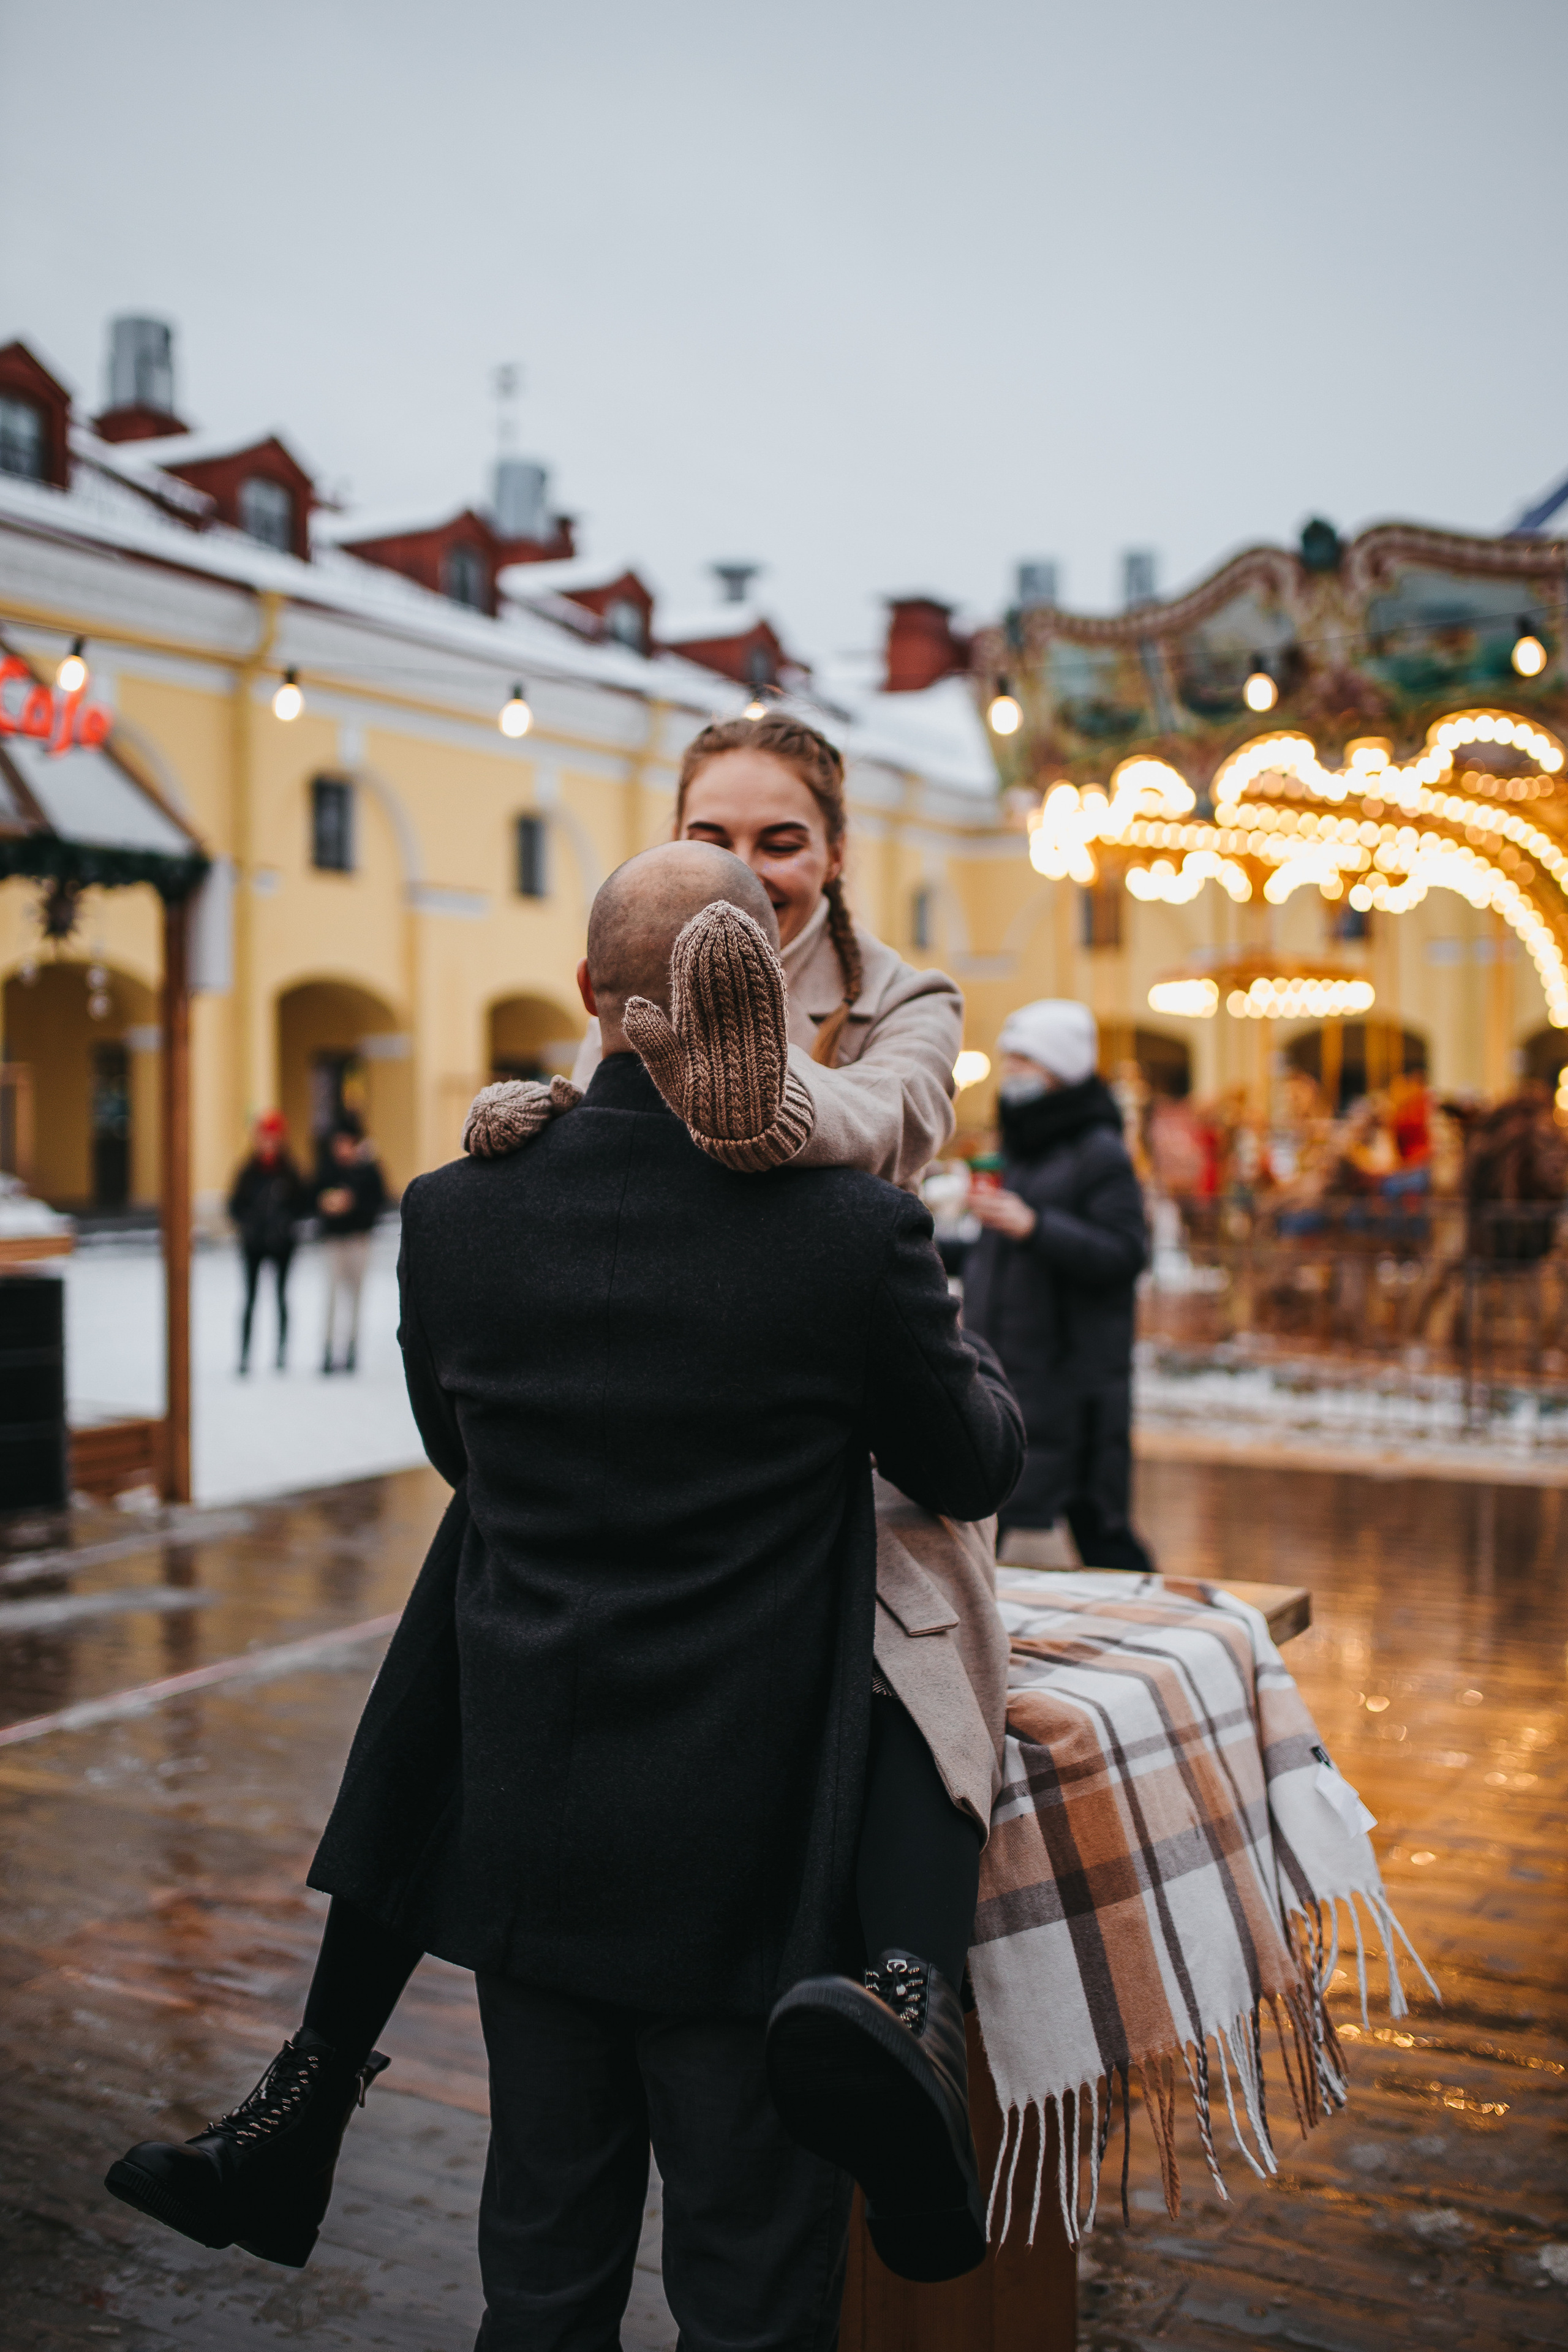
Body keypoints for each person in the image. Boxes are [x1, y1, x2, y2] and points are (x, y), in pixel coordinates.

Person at [105, 844, 1024, 2346]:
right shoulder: (846, 1233)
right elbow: (972, 1457)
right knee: (744, 2287)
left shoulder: (457, 1212)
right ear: (769, 999)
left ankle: (304, 2101)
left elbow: (458, 1455)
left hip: (532, 1831)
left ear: (588, 995)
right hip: (750, 1853)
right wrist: (957, 1339)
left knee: (538, 2270)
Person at [963, 997, 1155, 1574]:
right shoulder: (1029, 1147)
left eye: (1024, 1060)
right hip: (1014, 1367)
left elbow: (1125, 1252)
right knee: (984, 1518)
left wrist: (1034, 1226)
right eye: (1009, 1059)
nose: (1011, 1073)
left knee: (1100, 1530)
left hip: (1072, 1381)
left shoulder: (1098, 1152)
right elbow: (1000, 1250)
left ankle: (1167, 1636)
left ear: (1058, 1068)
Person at [227, 1111, 309, 1375]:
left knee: (282, 1297)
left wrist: (286, 1222)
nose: (269, 1143)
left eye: (273, 1137)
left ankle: (281, 1353)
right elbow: (234, 1205)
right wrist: (249, 1224)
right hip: (254, 1244)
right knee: (250, 1299)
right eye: (265, 1137)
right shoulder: (248, 1170)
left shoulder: (289, 1170)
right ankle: (245, 1355)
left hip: (283, 1244)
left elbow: (303, 1203)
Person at [314, 1114, 387, 1374]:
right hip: (334, 1239)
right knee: (332, 1296)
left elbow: (378, 1202)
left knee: (356, 1296)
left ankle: (352, 1349)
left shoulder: (367, 1170)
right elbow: (313, 1196)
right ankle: (328, 1348)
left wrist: (352, 1203)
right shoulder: (328, 1169)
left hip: (358, 1238)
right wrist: (326, 1205)